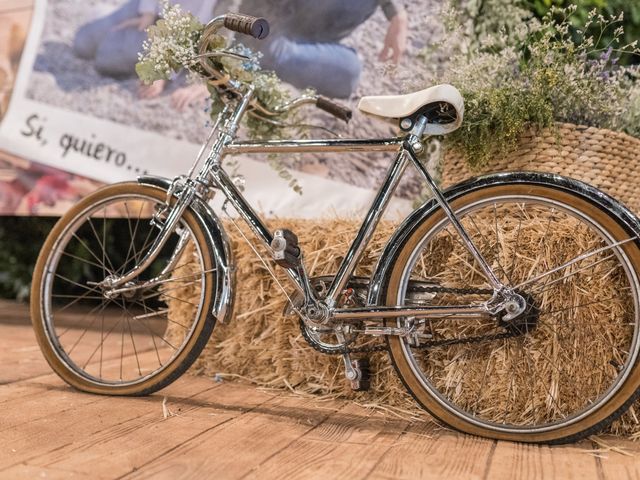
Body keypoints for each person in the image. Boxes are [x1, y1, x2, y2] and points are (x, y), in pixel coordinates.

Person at [238, 0, 408, 98]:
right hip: (263, 33)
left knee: (348, 73)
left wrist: (397, 14)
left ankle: (283, 58)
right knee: (348, 71)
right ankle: (256, 57)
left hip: (294, 40)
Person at [73, 0, 217, 110]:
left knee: (106, 58)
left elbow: (191, 29)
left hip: (174, 30)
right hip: (148, 7)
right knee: (82, 44)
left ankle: (113, 27)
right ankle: (105, 14)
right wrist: (147, 12)